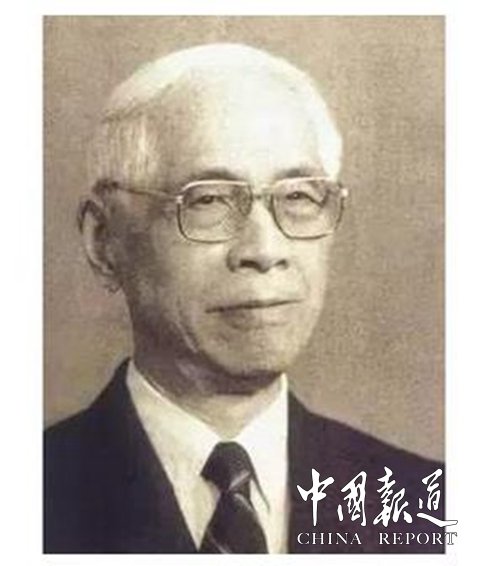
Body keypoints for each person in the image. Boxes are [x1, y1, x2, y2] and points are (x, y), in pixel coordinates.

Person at [44, 43, 445, 554]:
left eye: (298, 196)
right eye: (208, 200)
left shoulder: (430, 506)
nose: (264, 250)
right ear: (105, 243)